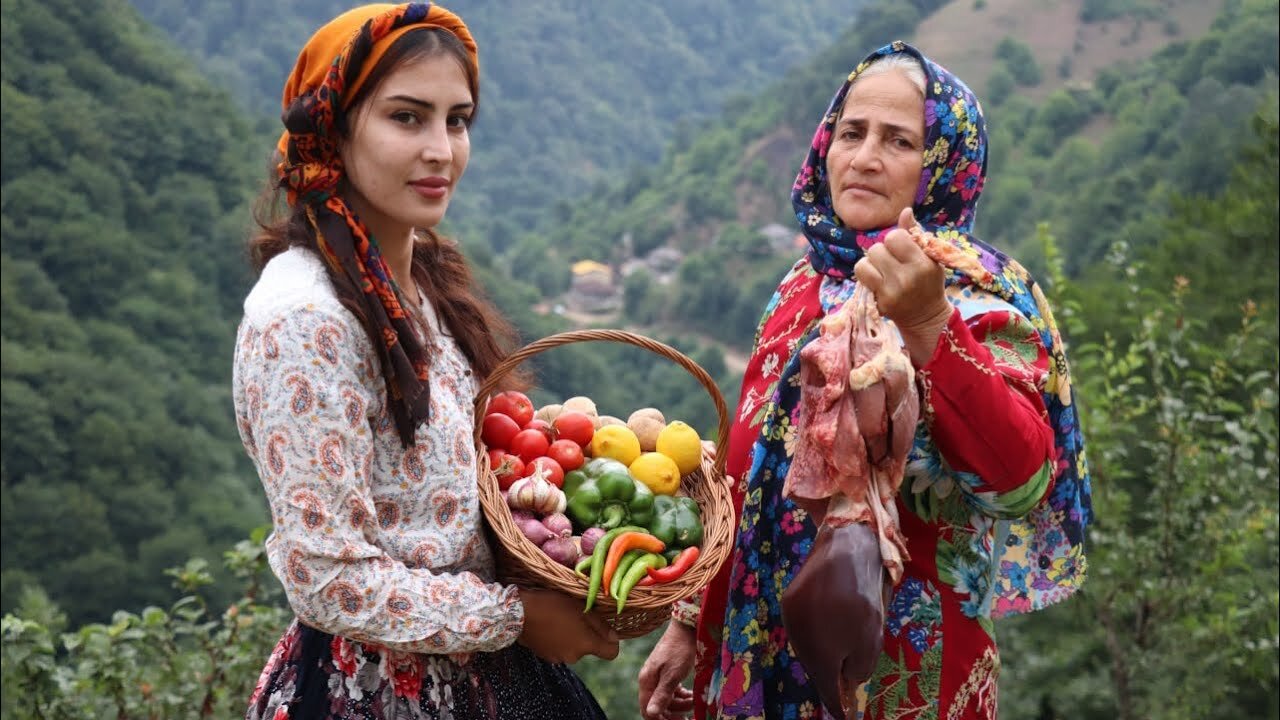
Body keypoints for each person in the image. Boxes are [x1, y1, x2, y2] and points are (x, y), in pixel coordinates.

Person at [639, 41, 1091, 720]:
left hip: (900, 676)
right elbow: (744, 474)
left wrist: (930, 322)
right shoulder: (803, 285)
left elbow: (1020, 480)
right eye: (852, 132)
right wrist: (688, 621)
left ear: (944, 166)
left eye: (899, 140)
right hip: (756, 657)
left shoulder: (979, 301)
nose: (865, 157)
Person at [232, 5, 618, 718]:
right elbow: (328, 578)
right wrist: (518, 617)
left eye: (457, 119)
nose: (441, 149)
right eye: (407, 117)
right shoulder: (306, 319)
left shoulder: (418, 280)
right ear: (336, 132)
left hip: (480, 674)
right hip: (375, 691)